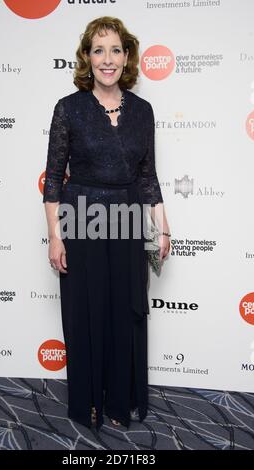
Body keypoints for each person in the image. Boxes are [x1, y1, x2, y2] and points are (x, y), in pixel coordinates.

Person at [43, 16, 171, 431]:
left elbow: (148, 175)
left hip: (129, 218)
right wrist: (55, 238)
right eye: (99, 50)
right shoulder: (69, 108)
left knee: (124, 312)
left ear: (127, 56)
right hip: (81, 218)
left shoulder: (143, 110)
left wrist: (163, 227)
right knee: (86, 312)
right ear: (86, 57)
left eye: (115, 49)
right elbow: (53, 179)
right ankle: (88, 403)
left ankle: (120, 401)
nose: (107, 59)